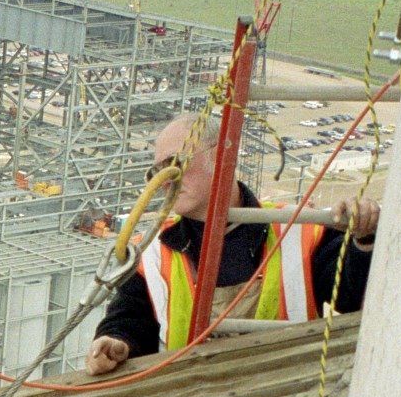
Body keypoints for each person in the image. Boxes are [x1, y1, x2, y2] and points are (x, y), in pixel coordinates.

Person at [86, 115, 380, 375]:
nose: (165, 180)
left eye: (176, 164)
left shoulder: (299, 229)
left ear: (222, 158)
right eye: (157, 171)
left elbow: (352, 298)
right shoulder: (152, 251)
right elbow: (131, 320)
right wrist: (115, 342)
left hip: (288, 393)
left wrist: (364, 238)